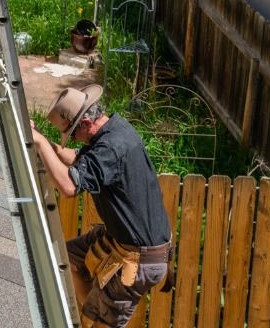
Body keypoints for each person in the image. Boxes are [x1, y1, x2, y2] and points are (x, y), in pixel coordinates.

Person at [32, 85, 172, 328]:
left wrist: (41, 143)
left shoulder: (111, 147)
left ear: (86, 122)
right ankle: (95, 313)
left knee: (99, 326)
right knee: (65, 258)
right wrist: (47, 146)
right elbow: (78, 161)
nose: (72, 140)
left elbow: (68, 186)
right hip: (119, 242)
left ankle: (98, 319)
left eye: (72, 134)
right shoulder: (113, 130)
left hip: (138, 259)